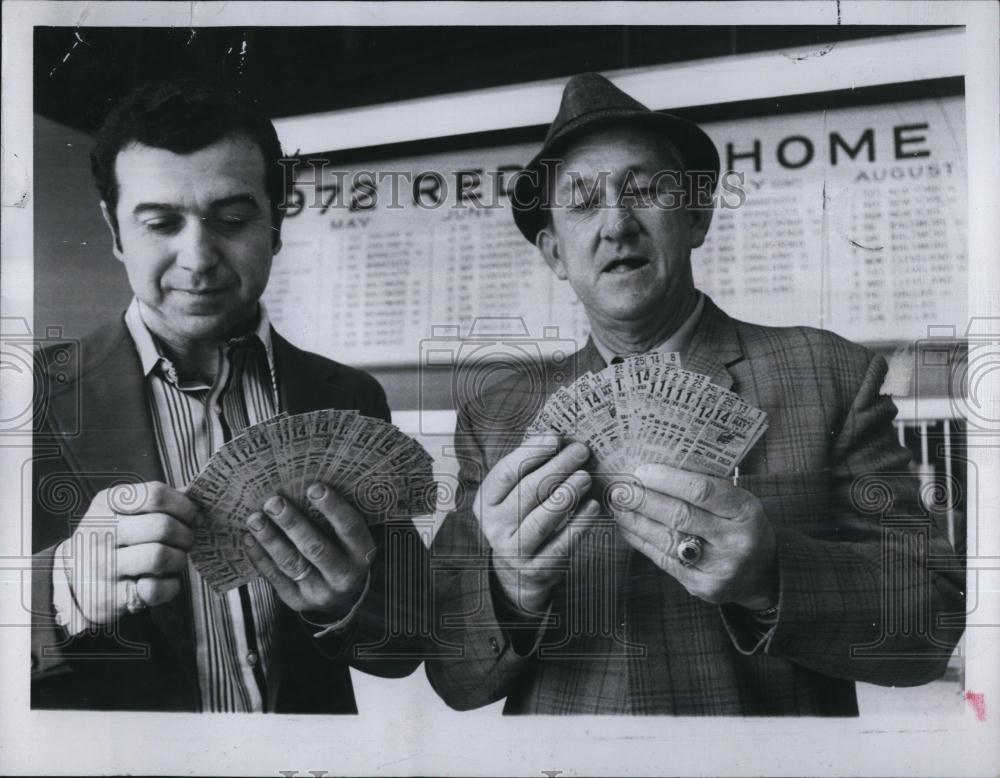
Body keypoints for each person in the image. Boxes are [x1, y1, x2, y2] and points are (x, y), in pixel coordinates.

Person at [424, 73, 965, 715]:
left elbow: (930, 624)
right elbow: (451, 674)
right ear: (554, 254)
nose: (617, 223)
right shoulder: (499, 415)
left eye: (646, 189)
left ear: (697, 216)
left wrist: (770, 576)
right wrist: (510, 588)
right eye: (582, 203)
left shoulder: (829, 373)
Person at [31, 80, 425, 712]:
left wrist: (354, 604)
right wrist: (59, 590)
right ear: (113, 231)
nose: (198, 259)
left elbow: (404, 645)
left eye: (233, 220)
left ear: (276, 223)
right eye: (160, 222)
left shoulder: (351, 396)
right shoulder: (25, 400)